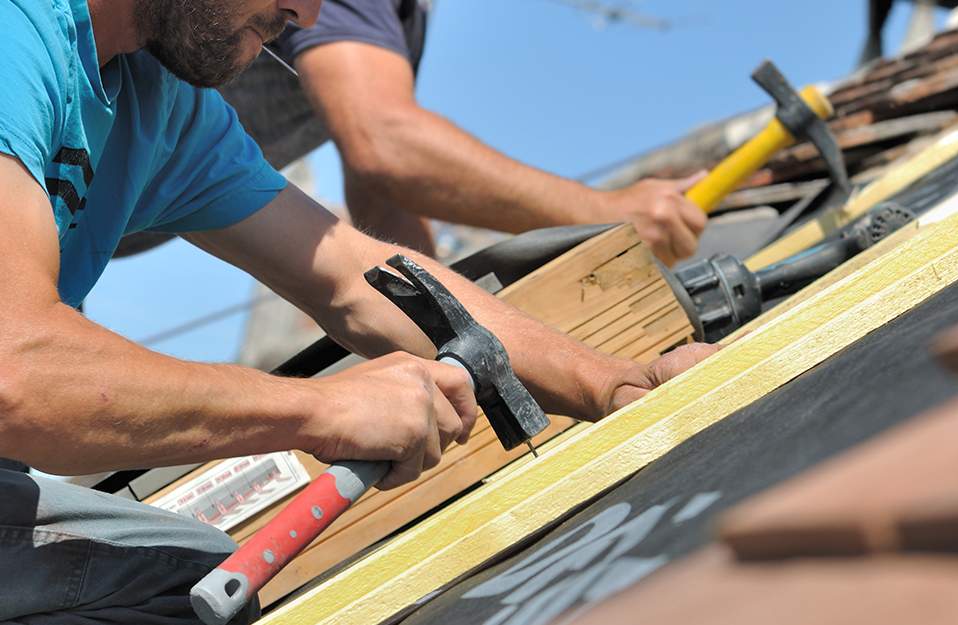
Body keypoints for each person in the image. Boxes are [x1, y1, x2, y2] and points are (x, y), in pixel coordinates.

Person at [0, 0, 714, 622]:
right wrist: (320, 408)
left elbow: (354, 279)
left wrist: (612, 385)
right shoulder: (16, 33)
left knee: (189, 579)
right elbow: (17, 373)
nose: (307, 14)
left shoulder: (162, 108)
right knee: (180, 583)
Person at [119, 0, 708, 265]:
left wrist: (454, 328)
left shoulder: (401, 19)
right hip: (79, 162)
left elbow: (384, 198)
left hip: (114, 209)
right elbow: (386, 143)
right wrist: (607, 214)